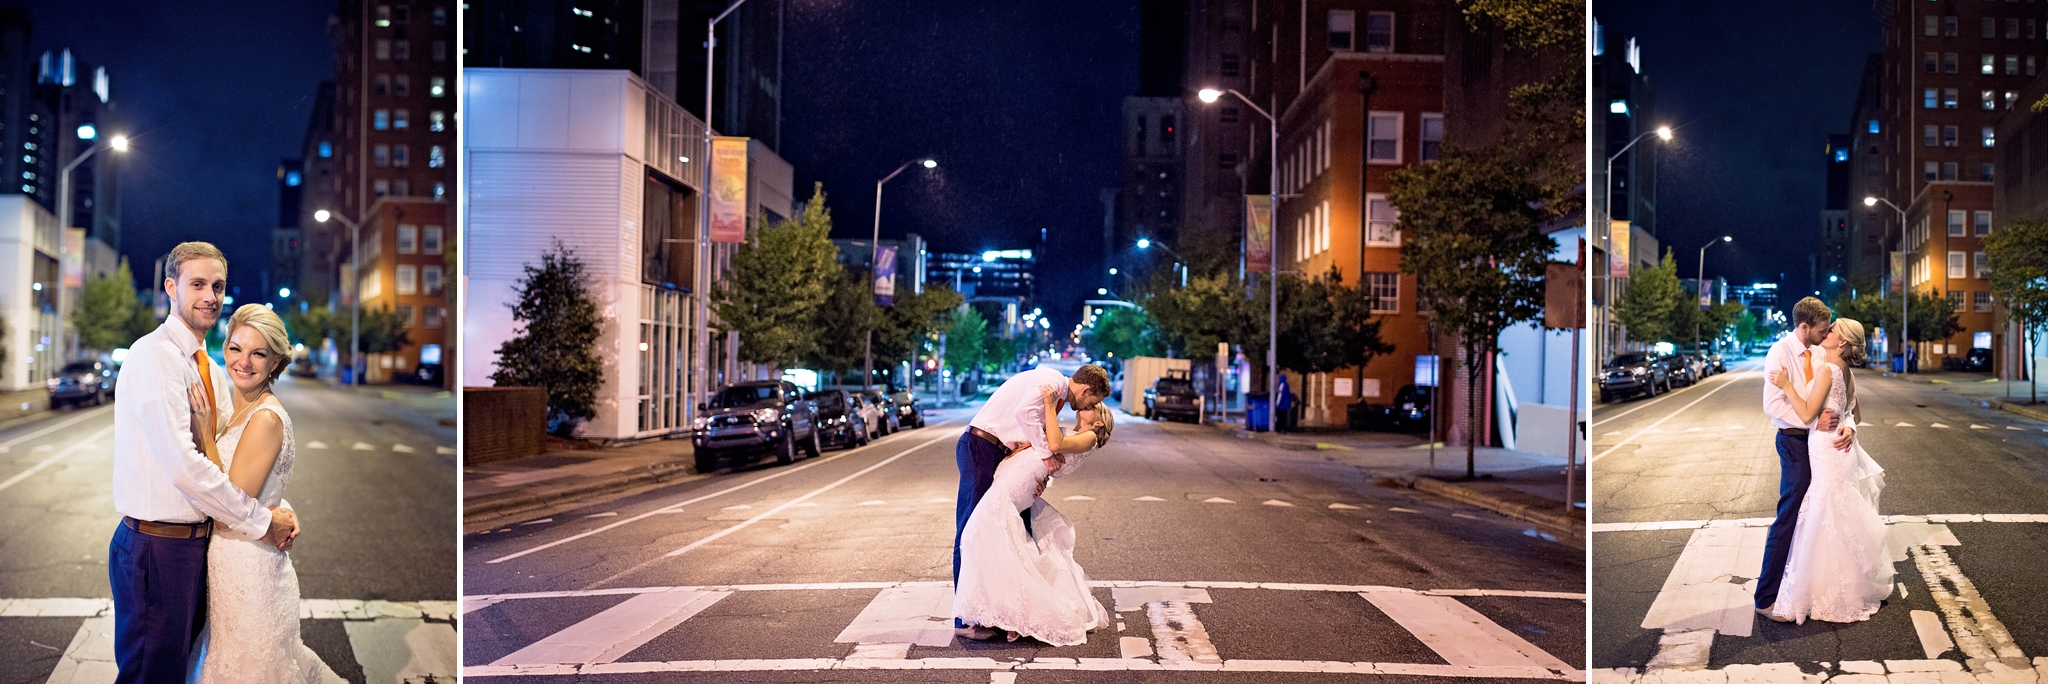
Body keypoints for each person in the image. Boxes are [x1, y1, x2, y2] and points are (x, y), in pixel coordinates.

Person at [110, 242, 299, 682]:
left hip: (201, 548)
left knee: (181, 670)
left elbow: (241, 460)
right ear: (171, 287)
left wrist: (278, 506)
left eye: (217, 286)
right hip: (158, 547)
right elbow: (185, 466)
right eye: (197, 284)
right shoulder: (154, 357)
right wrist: (262, 521)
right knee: (150, 674)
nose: (210, 296)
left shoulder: (210, 369)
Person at [187, 304, 340, 681]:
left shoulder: (265, 418)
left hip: (249, 569)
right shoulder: (242, 411)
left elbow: (228, 508)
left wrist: (206, 433)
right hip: (234, 564)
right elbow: (259, 488)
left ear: (275, 362)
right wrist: (278, 508)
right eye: (237, 348)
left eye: (259, 353)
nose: (244, 361)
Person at [952, 364, 1112, 640]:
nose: (1085, 407)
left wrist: (1036, 475)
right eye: (1092, 401)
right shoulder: (1051, 383)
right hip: (982, 446)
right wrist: (1045, 454)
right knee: (972, 529)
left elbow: (1032, 438)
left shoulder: (1057, 394)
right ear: (1086, 390)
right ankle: (966, 619)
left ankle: (1003, 613)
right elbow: (1024, 414)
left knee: (1002, 538)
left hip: (998, 454)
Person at [1764, 319, 1892, 624]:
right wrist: (1848, 426)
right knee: (1834, 514)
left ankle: (1828, 591)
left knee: (1824, 513)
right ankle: (1843, 585)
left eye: (1832, 330)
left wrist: (1785, 386)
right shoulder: (1845, 371)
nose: (1828, 332)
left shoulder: (1827, 369)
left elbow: (1808, 413)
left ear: (1843, 342)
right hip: (1838, 450)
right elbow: (1854, 411)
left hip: (1826, 448)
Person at [1753, 296, 1853, 622]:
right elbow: (1773, 405)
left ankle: (1801, 589)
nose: (1826, 337)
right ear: (1804, 327)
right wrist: (1811, 421)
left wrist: (1847, 425)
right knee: (1790, 514)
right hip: (1795, 442)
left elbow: (1844, 400)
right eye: (1822, 331)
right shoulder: (1779, 353)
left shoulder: (1823, 352)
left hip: (1821, 446)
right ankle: (1765, 597)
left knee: (1814, 517)